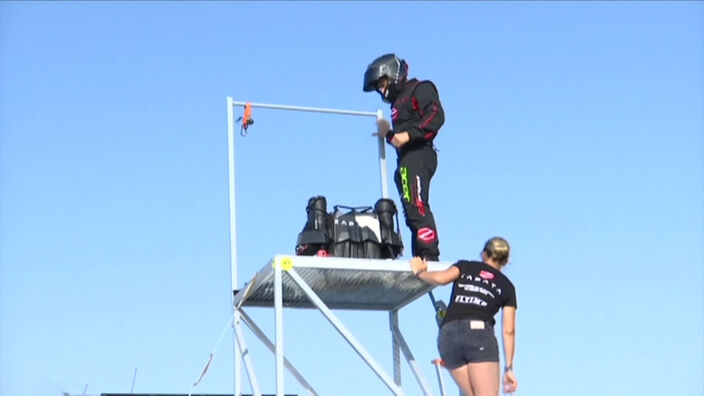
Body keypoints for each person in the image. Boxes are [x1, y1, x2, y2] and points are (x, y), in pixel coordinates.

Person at [410, 237, 518, 396]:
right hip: (478, 334)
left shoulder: (466, 266)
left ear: (484, 253)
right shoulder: (507, 286)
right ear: (506, 261)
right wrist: (509, 368)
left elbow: (440, 279)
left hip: (448, 335)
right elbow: (508, 330)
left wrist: (420, 272)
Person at [363, 53, 444, 261]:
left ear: (392, 75)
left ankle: (429, 255)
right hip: (407, 158)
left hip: (420, 154)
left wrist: (408, 134)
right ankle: (420, 254)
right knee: (410, 209)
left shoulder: (420, 88)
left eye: (382, 84)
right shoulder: (397, 103)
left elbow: (436, 116)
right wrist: (388, 134)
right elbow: (401, 138)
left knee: (416, 205)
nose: (382, 90)